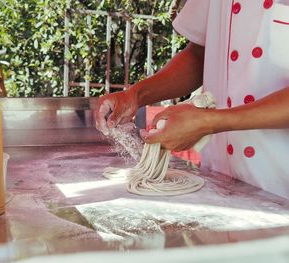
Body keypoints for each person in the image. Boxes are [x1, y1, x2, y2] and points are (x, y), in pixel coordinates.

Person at [95, 0, 289, 199]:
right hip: (219, 178)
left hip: (281, 182)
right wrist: (136, 95)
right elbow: (199, 55)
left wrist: (208, 122)